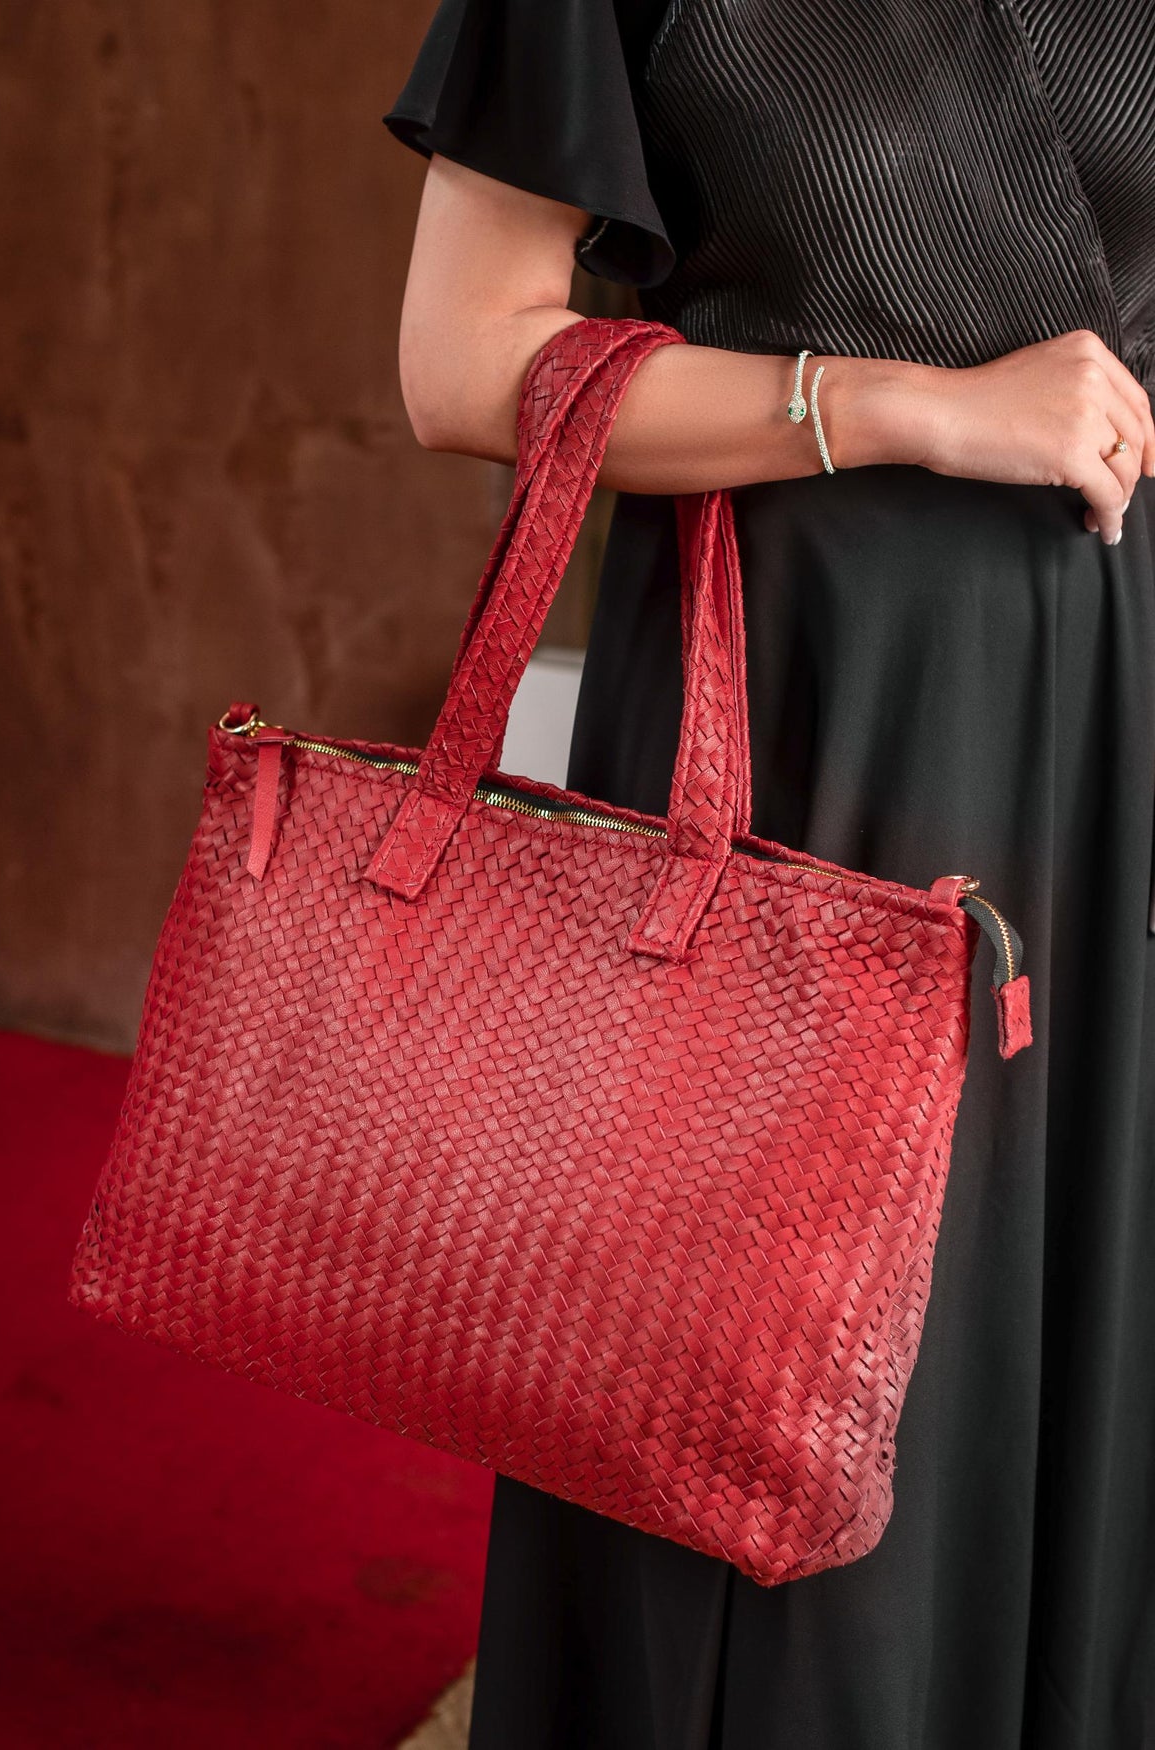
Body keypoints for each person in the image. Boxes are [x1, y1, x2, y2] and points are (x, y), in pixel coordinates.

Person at [381, 3, 1155, 1747]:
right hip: (808, 727)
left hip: (1109, 733)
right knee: (779, 1452)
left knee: (1069, 1397)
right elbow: (459, 363)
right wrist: (904, 405)